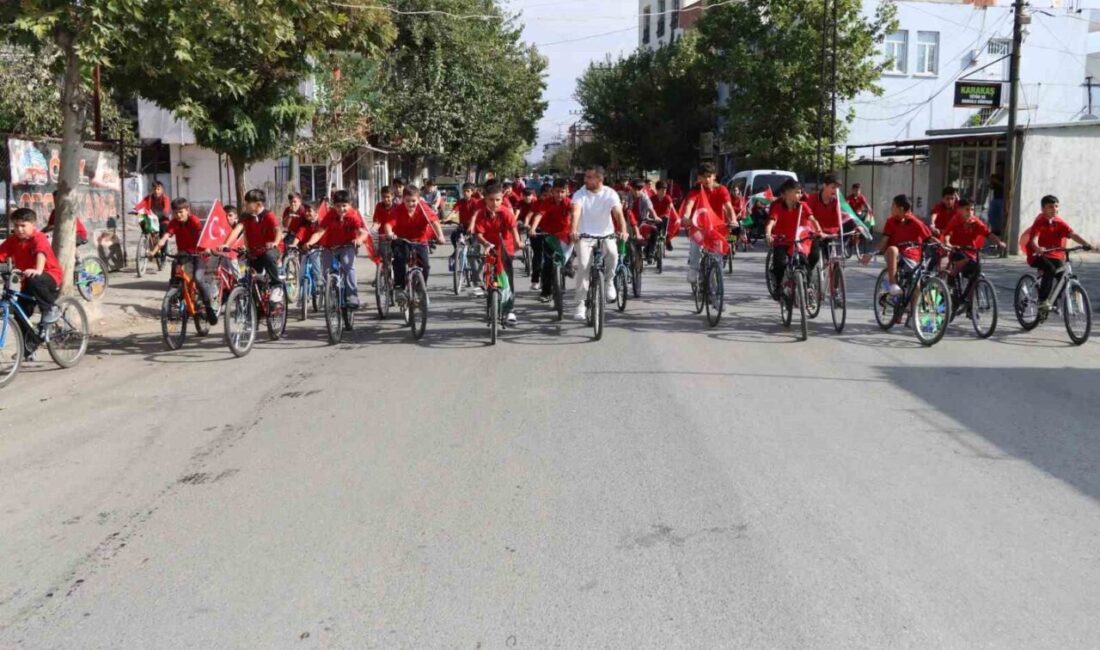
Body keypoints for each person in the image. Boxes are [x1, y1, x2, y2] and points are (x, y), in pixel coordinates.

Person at [0, 208, 63, 358]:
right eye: (16, 226)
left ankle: (50, 309)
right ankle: (28, 347)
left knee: (36, 280)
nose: (19, 229)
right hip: (27, 282)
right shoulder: (13, 240)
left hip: (49, 278)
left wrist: (38, 270)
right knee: (21, 314)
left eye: (23, 225)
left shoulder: (38, 237)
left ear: (33, 224)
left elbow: (41, 253)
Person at [569, 166, 629, 321]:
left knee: (613, 254)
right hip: (584, 236)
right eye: (586, 177)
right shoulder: (580, 193)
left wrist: (623, 230)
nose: (585, 180)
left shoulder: (610, 193)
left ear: (599, 179)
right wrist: (574, 230)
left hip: (606, 234)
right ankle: (580, 304)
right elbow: (576, 212)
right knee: (583, 265)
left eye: (589, 177)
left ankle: (609, 282)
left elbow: (618, 213)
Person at [149, 197, 217, 324]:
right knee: (175, 275)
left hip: (199, 254)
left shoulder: (194, 221)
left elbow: (203, 235)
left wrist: (207, 248)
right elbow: (165, 238)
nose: (178, 215)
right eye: (175, 213)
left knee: (198, 278)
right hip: (183, 254)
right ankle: (174, 300)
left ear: (188, 211)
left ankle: (209, 308)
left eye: (181, 212)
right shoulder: (174, 223)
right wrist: (153, 252)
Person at [1027, 195, 1095, 315]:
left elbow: (1072, 234)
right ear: (1042, 209)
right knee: (1050, 269)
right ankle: (1042, 301)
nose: (1054, 209)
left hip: (1054, 255)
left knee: (1063, 276)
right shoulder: (1039, 222)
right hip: (1036, 255)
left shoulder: (1060, 222)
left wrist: (1086, 244)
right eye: (1050, 207)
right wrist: (1038, 248)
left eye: (1056, 206)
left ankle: (1053, 301)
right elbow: (1033, 240)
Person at [303, 189, 367, 309]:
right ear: (333, 206)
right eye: (338, 206)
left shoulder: (353, 215)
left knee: (348, 266)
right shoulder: (330, 215)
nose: (341, 209)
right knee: (326, 272)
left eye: (344, 206)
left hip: (347, 246)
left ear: (350, 205)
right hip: (330, 247)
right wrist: (309, 242)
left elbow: (363, 233)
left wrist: (358, 240)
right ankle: (331, 294)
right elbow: (319, 232)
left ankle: (352, 295)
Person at [381, 186, 445, 304]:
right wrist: (390, 233)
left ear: (419, 199)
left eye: (414, 201)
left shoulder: (423, 208)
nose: (411, 204)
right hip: (402, 240)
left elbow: (434, 221)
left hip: (420, 240)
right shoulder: (398, 210)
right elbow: (388, 224)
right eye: (407, 201)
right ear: (403, 200)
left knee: (425, 265)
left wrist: (440, 236)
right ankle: (399, 288)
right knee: (400, 259)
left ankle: (421, 288)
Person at [860, 194, 932, 297]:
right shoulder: (890, 222)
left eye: (893, 205)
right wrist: (871, 254)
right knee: (893, 249)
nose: (891, 208)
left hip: (911, 257)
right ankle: (892, 284)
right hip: (893, 255)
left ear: (900, 209)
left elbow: (929, 237)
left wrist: (944, 246)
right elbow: (883, 241)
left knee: (917, 286)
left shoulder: (916, 222)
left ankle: (913, 312)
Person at [473, 183, 522, 325]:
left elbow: (513, 229)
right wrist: (486, 243)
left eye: (498, 200)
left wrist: (518, 241)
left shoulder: (506, 212)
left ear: (502, 200)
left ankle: (509, 310)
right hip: (490, 248)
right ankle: (491, 307)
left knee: (507, 279)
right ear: (485, 199)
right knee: (489, 278)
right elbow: (479, 234)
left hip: (506, 248)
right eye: (491, 200)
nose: (494, 203)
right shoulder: (482, 214)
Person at [224, 189, 285, 302]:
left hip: (272, 249)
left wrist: (275, 243)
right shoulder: (245, 217)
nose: (245, 205)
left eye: (247, 203)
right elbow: (236, 231)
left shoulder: (268, 215)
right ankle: (258, 308)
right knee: (250, 279)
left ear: (258, 204)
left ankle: (277, 286)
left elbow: (278, 230)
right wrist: (226, 244)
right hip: (254, 251)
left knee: (268, 256)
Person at [681, 162, 736, 282]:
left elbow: (729, 207)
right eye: (704, 176)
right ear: (699, 178)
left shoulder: (722, 190)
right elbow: (689, 205)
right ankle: (694, 269)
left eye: (709, 176)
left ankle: (716, 283)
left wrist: (734, 220)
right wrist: (686, 216)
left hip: (717, 228)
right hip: (698, 227)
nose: (707, 179)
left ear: (714, 176)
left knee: (718, 258)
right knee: (695, 245)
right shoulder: (695, 190)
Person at [765, 179, 821, 295]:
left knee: (805, 260)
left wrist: (818, 231)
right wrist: (768, 234)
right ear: (786, 193)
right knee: (780, 263)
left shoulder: (803, 206)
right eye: (796, 192)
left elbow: (813, 220)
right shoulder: (777, 207)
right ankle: (779, 285)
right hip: (783, 240)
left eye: (800, 192)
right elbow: (771, 223)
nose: (799, 195)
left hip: (799, 241)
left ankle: (807, 285)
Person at [528, 179, 573, 303]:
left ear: (566, 192)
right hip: (549, 236)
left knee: (571, 252)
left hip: (565, 236)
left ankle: (568, 265)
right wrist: (532, 228)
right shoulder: (547, 202)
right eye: (557, 191)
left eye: (562, 192)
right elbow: (539, 215)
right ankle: (546, 292)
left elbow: (575, 215)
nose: (559, 195)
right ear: (552, 192)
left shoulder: (569, 203)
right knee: (547, 265)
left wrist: (575, 230)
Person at [943, 198, 1005, 282]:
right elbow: (947, 234)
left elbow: (988, 234)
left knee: (975, 277)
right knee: (963, 259)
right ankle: (951, 276)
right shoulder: (955, 220)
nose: (970, 212)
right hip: (956, 251)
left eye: (972, 209)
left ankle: (970, 294)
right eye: (967, 209)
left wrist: (999, 242)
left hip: (971, 253)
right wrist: (948, 243)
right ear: (959, 210)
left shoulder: (976, 222)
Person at [648, 180, 679, 255]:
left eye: (665, 190)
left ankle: (667, 240)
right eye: (662, 190)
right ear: (657, 190)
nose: (664, 192)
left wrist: (676, 218)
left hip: (664, 218)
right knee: (653, 233)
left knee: (665, 228)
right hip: (654, 218)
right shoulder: (652, 199)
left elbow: (672, 208)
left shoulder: (667, 198)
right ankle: (650, 252)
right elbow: (648, 209)